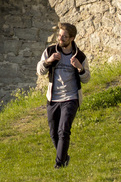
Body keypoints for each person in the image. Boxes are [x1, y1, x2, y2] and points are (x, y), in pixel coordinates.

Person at [36, 22, 89, 169]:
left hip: (71, 98)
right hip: (53, 98)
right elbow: (40, 70)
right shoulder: (50, 51)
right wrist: (49, 61)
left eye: (64, 37)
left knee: (63, 130)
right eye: (59, 35)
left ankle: (59, 164)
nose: (60, 38)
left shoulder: (79, 56)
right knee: (54, 133)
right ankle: (64, 157)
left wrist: (80, 68)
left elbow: (87, 79)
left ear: (71, 38)